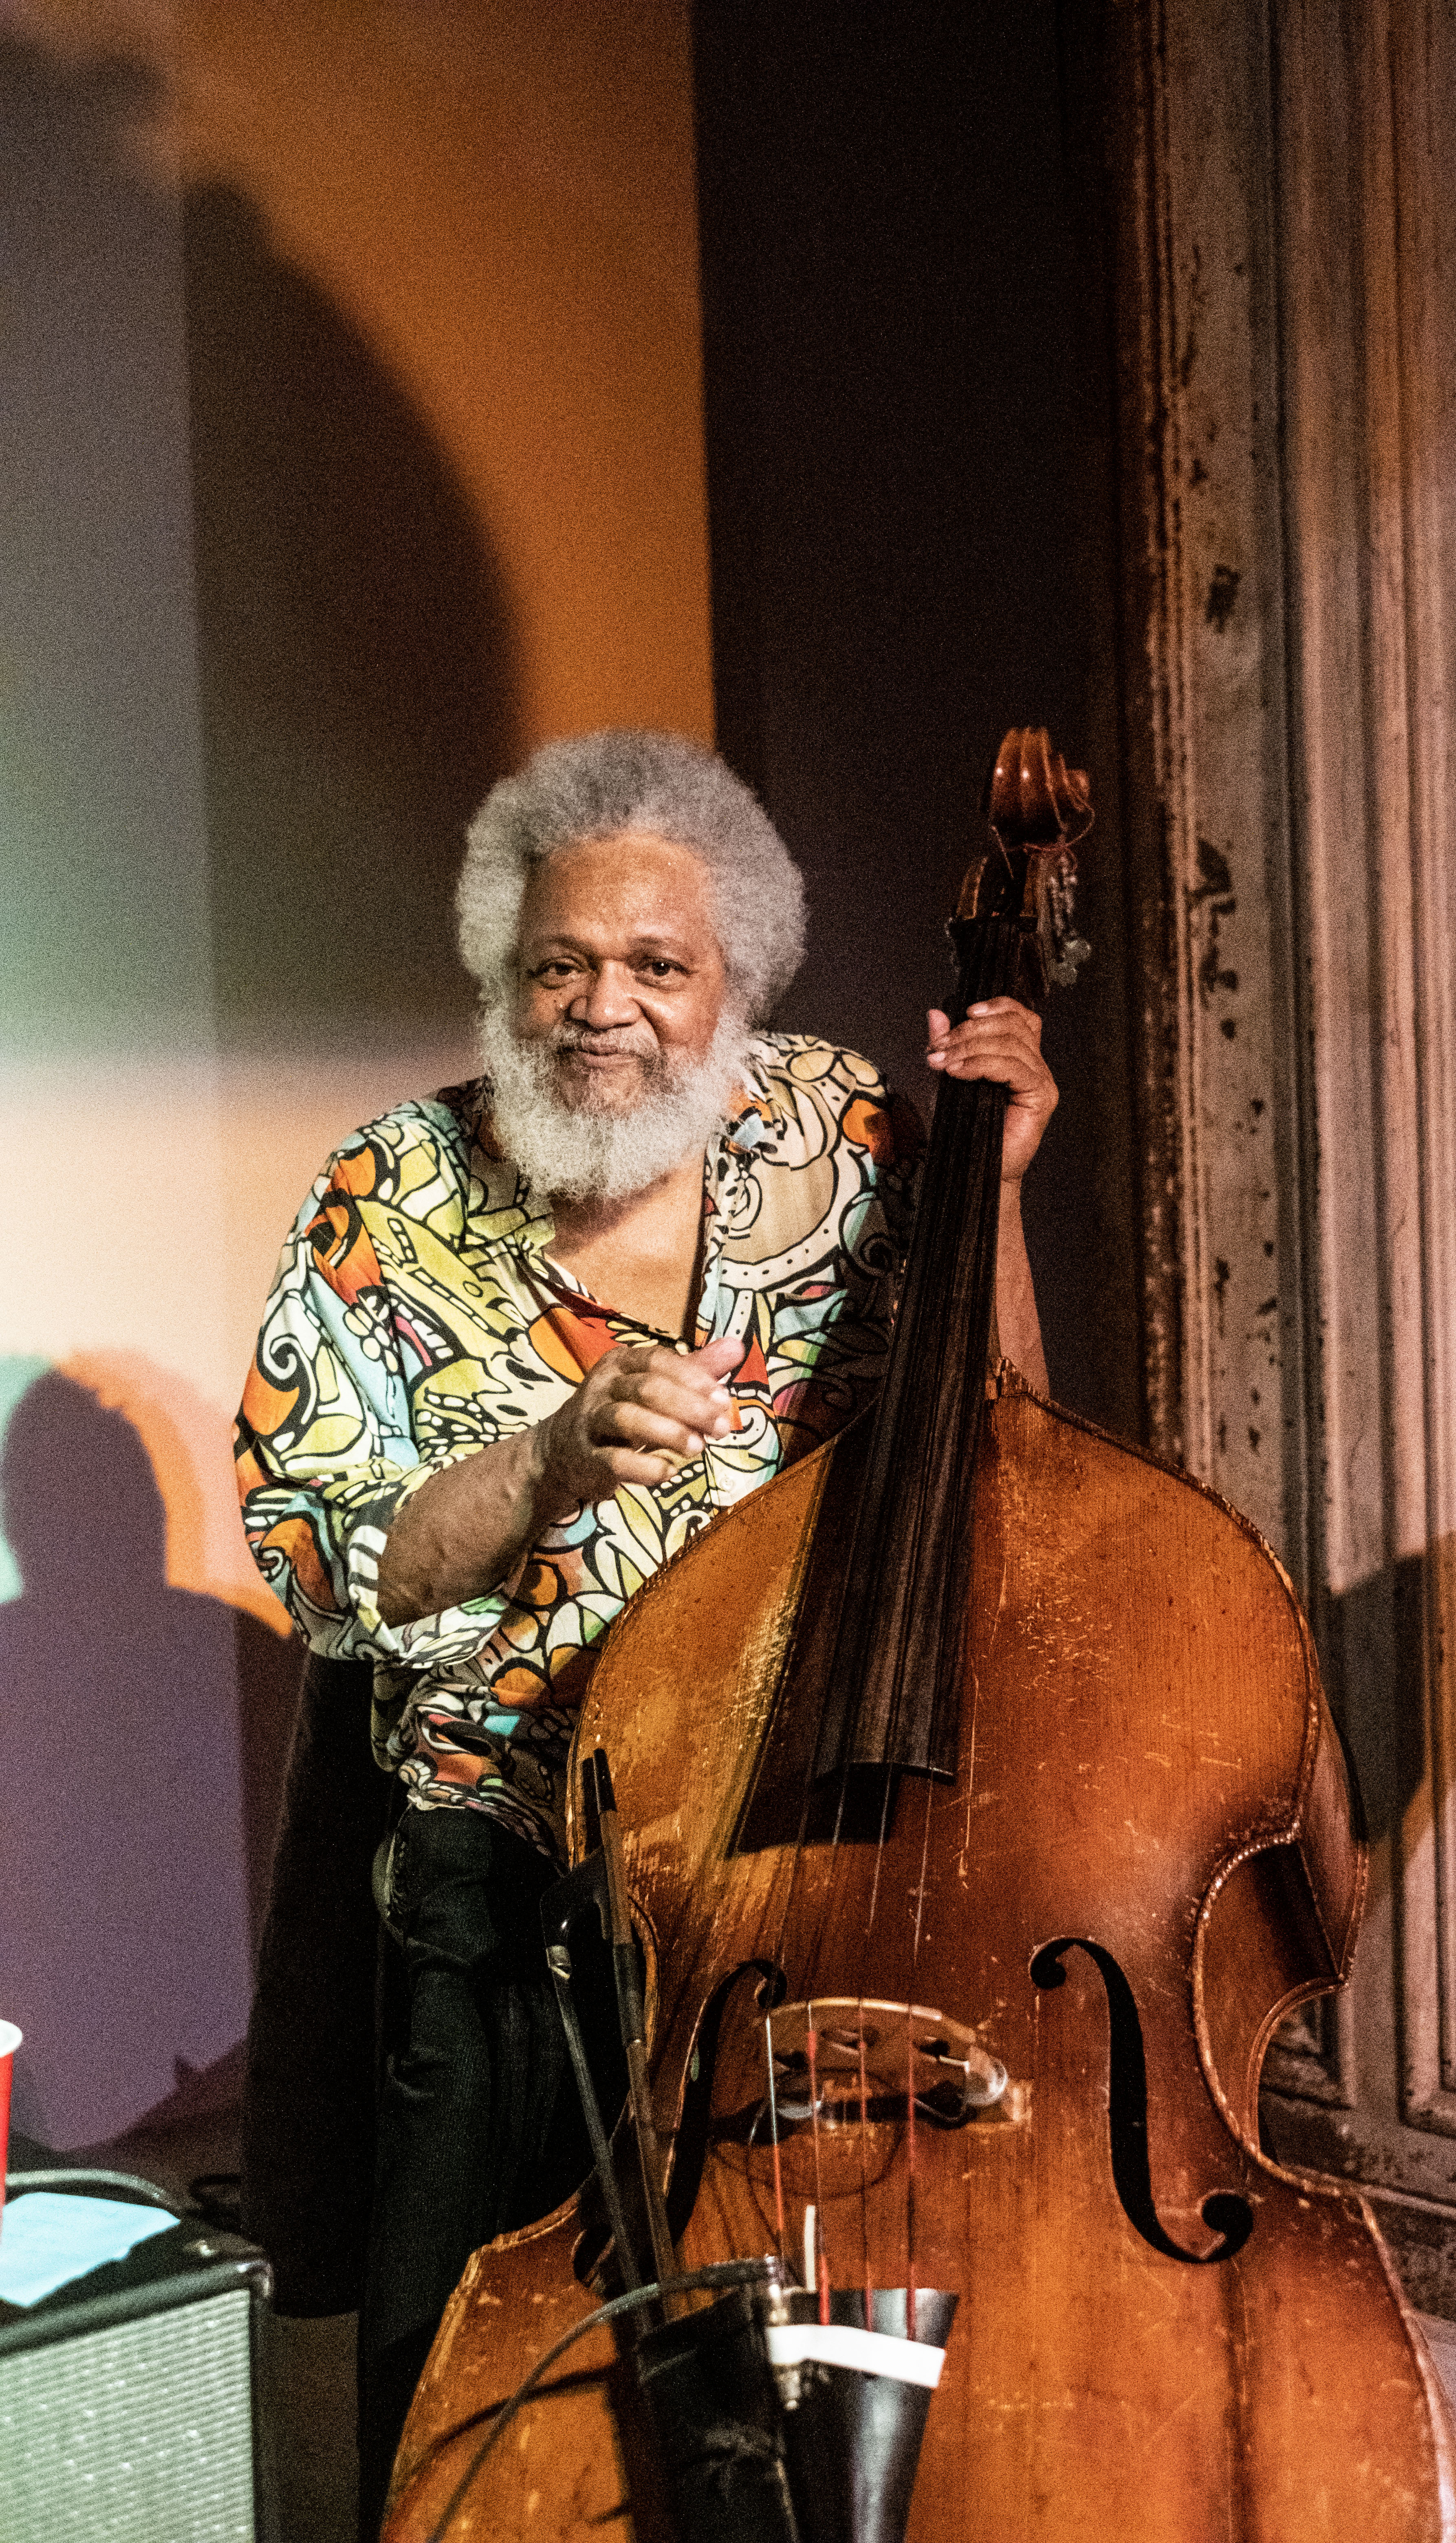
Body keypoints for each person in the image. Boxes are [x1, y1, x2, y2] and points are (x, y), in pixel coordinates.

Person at [234, 728, 1057, 2532]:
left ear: (735, 985)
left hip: (794, 1857)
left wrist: (987, 1196)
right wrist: (540, 1463)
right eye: (560, 965)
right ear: (503, 979)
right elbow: (328, 1563)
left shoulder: (847, 1135)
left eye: (655, 968)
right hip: (510, 1873)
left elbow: (1003, 1457)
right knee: (468, 2382)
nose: (601, 1008)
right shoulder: (388, 1202)